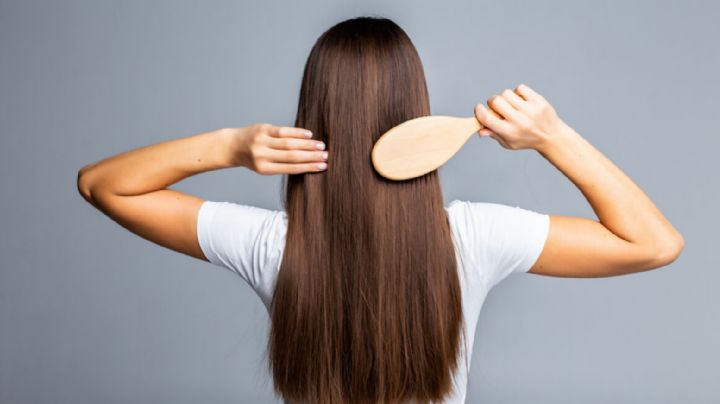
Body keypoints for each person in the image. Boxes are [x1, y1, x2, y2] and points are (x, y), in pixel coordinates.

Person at [76, 16, 684, 404]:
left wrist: (229, 146)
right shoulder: (471, 237)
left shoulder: (273, 244)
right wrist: (553, 136)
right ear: (413, 108)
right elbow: (653, 244)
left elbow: (103, 185)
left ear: (313, 113)